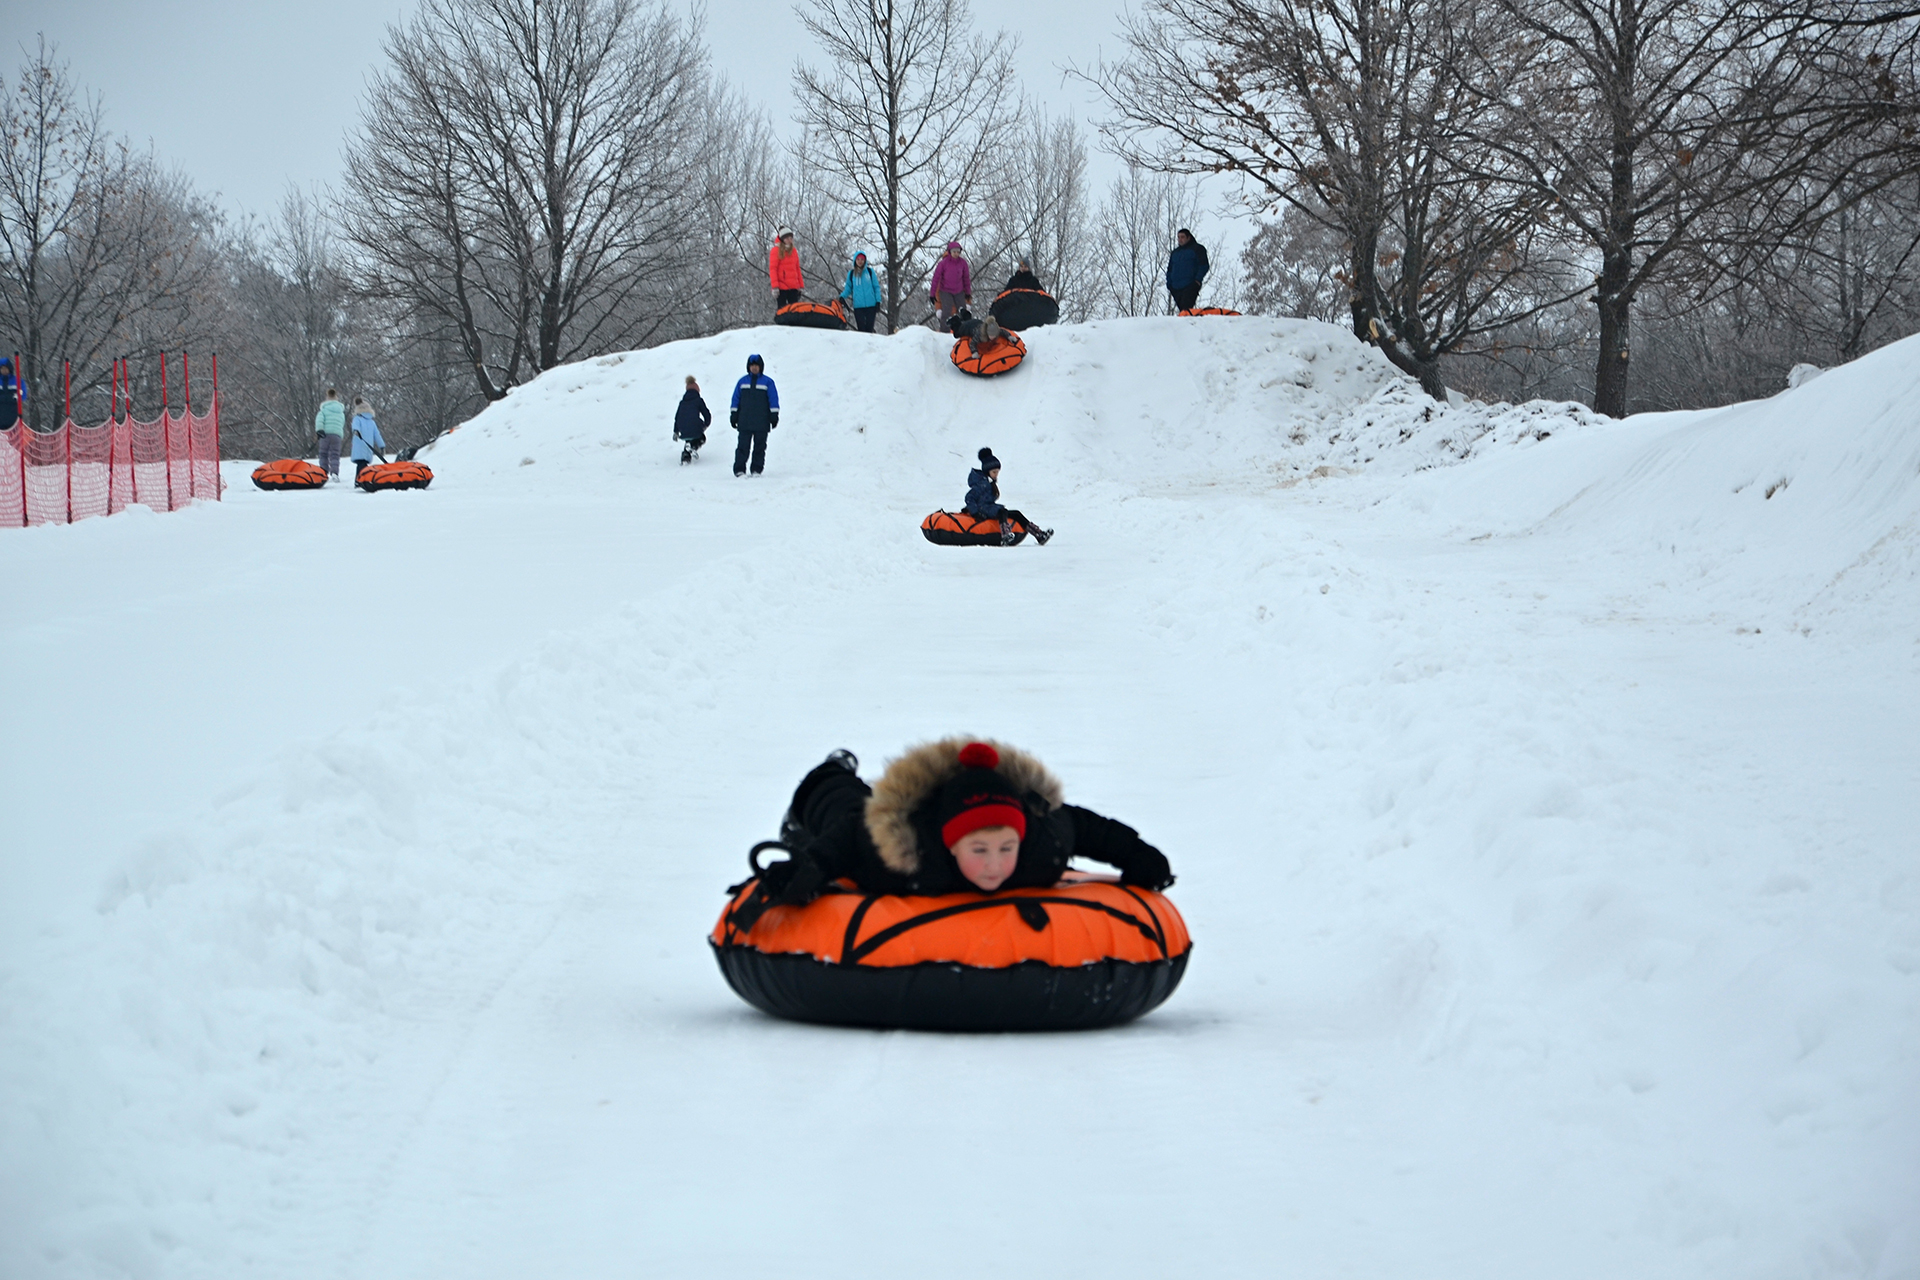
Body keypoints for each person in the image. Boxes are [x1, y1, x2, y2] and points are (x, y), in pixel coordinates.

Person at [727, 739, 1174, 931]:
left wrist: (1138, 856)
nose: (996, 864)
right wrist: (808, 866)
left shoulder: (1043, 842)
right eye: (979, 850)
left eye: (1005, 848)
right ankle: (831, 771)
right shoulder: (906, 852)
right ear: (952, 844)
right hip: (905, 813)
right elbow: (846, 839)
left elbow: (1086, 826)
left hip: (993, 793)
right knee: (847, 806)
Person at [966, 446, 1051, 545]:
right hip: (982, 509)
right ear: (986, 471)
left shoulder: (989, 482)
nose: (996, 474)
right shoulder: (982, 484)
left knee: (1016, 514)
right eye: (994, 472)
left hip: (989, 507)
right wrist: (975, 512)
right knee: (1002, 511)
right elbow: (969, 498)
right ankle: (1005, 535)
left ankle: (1039, 535)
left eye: (997, 472)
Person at [728, 353, 779, 477]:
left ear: (761, 367)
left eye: (756, 366)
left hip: (762, 421)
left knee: (760, 447)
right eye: (752, 366)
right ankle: (739, 469)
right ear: (748, 367)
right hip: (745, 421)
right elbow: (736, 399)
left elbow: (773, 399)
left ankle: (756, 469)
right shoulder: (742, 382)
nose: (754, 368)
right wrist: (734, 414)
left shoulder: (768, 382)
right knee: (742, 447)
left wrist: (774, 415)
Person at [928, 241, 972, 327]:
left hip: (959, 291)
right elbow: (935, 279)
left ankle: (963, 330)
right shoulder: (943, 264)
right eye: (954, 252)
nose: (956, 254)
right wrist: (932, 294)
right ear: (950, 252)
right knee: (947, 311)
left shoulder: (963, 263)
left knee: (963, 311)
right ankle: (944, 331)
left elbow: (966, 279)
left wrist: (968, 293)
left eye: (958, 252)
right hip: (945, 291)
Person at [1166, 228, 1210, 312]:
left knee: (1186, 310)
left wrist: (1197, 280)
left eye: (1182, 237)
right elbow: (1169, 269)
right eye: (1178, 237)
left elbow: (1204, 265)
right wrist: (1169, 284)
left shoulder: (1198, 249)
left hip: (1190, 285)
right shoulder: (1175, 253)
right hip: (1175, 287)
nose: (1180, 239)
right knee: (1183, 312)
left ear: (1188, 237)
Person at [839, 251, 882, 333]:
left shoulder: (870, 272)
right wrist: (842, 296)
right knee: (861, 330)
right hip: (858, 307)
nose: (860, 261)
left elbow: (876, 287)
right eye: (858, 259)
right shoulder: (851, 274)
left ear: (865, 260)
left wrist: (878, 301)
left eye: (862, 259)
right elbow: (848, 288)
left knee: (869, 329)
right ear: (855, 260)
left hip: (871, 306)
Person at [673, 375, 712, 464]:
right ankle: (693, 447)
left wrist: (676, 431)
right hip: (695, 427)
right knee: (701, 437)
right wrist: (706, 424)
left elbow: (677, 417)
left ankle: (685, 456)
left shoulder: (682, 402)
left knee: (689, 437)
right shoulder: (698, 400)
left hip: (683, 429)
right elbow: (707, 414)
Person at [348, 397, 386, 480]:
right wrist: (381, 446)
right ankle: (362, 480)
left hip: (359, 445)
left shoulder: (357, 418)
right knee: (363, 464)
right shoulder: (372, 422)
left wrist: (356, 431)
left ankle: (359, 480)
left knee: (361, 464)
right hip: (368, 446)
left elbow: (355, 427)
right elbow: (377, 435)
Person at [314, 388, 347, 481]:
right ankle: (335, 473)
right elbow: (342, 423)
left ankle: (323, 472)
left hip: (325, 434)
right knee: (335, 454)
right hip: (336, 435)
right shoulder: (341, 412)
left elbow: (319, 420)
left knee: (323, 453)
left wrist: (319, 430)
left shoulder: (324, 410)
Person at [768, 227, 804, 311]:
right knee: (782, 310)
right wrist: (775, 287)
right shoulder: (775, 251)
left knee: (795, 310)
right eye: (787, 238)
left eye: (791, 238)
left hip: (793, 287)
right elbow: (773, 269)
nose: (790, 240)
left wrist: (800, 285)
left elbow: (797, 269)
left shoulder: (793, 251)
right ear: (782, 239)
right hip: (781, 287)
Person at [0, 357, 24, 431]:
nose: (4, 370)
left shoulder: (17, 381)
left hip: (14, 417)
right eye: (2, 368)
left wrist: (16, 397)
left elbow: (23, 394)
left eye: (6, 368)